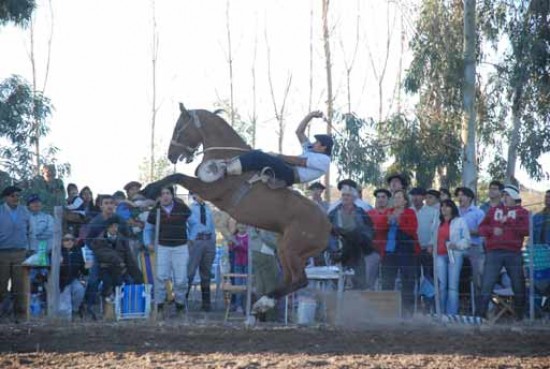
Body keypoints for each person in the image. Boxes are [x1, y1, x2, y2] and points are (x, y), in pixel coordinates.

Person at [223, 111, 333, 186]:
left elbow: (299, 161)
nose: (314, 143)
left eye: (317, 142)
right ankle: (233, 164)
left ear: (324, 147)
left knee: (258, 156)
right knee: (258, 154)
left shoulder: (325, 160)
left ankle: (226, 170)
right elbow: (299, 132)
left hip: (290, 174)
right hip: (287, 168)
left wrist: (277, 156)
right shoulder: (311, 150)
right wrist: (310, 115)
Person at [477, 185, 529, 319]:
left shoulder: (522, 212)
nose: (504, 197)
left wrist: (509, 223)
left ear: (514, 197)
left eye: (507, 195)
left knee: (518, 284)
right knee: (487, 284)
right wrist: (492, 230)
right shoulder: (493, 210)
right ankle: (480, 316)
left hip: (513, 252)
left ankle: (519, 316)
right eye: (504, 194)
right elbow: (481, 228)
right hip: (494, 252)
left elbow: (526, 230)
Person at [143, 186, 191, 314]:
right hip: (162, 247)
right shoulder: (155, 211)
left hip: (180, 247)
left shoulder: (182, 208)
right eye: (162, 193)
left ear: (172, 195)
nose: (165, 196)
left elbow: (193, 223)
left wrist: (192, 238)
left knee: (181, 280)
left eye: (168, 193)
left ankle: (180, 304)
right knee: (160, 277)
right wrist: (148, 243)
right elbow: (148, 229)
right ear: (159, 197)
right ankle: (159, 305)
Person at [328, 183, 374, 290]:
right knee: (338, 283)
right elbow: (327, 233)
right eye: (343, 195)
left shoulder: (361, 212)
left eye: (348, 195)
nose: (345, 197)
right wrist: (333, 248)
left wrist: (361, 239)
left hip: (357, 251)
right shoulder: (334, 213)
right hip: (339, 251)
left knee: (358, 282)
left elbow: (369, 231)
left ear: (354, 197)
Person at [381, 189, 419, 317]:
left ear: (405, 201)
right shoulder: (388, 212)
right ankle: (387, 311)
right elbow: (380, 228)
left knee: (407, 282)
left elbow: (413, 229)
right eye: (394, 197)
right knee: (387, 281)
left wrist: (399, 221)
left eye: (399, 197)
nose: (396, 200)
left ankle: (407, 312)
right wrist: (386, 220)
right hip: (389, 251)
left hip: (405, 252)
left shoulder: (410, 212)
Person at [91, 218, 143, 303]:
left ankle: (127, 304)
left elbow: (129, 257)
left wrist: (137, 274)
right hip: (105, 269)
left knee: (132, 280)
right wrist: (119, 261)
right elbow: (103, 254)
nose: (114, 229)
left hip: (121, 270)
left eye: (116, 226)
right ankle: (107, 302)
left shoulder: (123, 240)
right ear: (107, 228)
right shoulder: (98, 240)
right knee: (108, 281)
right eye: (112, 227)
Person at [432, 199, 471, 315]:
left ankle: (452, 314)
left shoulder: (460, 221)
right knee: (442, 286)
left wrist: (457, 245)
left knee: (453, 286)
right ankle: (441, 312)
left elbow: (467, 240)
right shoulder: (437, 222)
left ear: (452, 208)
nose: (444, 208)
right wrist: (431, 245)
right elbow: (432, 237)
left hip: (454, 255)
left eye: (447, 206)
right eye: (442, 206)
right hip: (439, 255)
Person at [0, 186, 31, 318]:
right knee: (1, 285)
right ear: (6, 197)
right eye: (13, 196)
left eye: (18, 196)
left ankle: (20, 315)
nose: (16, 198)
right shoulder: (0, 211)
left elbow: (30, 230)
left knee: (20, 285)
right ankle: (2, 314)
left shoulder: (24, 211)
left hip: (20, 253)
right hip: (2, 253)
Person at [186, 193, 216, 312]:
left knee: (206, 272)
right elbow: (186, 224)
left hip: (209, 241)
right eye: (198, 193)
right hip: (196, 241)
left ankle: (206, 303)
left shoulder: (208, 208)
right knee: (190, 271)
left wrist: (213, 240)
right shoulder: (189, 209)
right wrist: (189, 239)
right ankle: (183, 301)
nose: (202, 196)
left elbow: (211, 225)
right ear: (193, 195)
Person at [455, 187, 486, 292]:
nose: (459, 197)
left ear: (469, 198)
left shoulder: (479, 212)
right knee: (455, 274)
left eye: (462, 195)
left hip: (474, 247)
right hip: (457, 248)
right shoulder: (454, 212)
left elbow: (482, 231)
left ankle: (479, 303)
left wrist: (465, 231)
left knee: (477, 275)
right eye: (458, 195)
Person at [411, 188, 439, 280]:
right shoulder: (408, 211)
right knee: (414, 276)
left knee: (429, 275)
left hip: (427, 249)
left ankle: (429, 294)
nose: (415, 198)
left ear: (423, 197)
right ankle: (415, 294)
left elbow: (436, 230)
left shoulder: (433, 212)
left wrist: (431, 244)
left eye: (418, 195)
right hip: (412, 250)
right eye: (413, 195)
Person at [366, 189, 392, 290]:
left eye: (383, 197)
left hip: (388, 250)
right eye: (378, 197)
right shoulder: (369, 213)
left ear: (388, 199)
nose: (380, 199)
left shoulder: (392, 213)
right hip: (372, 249)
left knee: (387, 279)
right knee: (370, 278)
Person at [58, 233, 87, 320]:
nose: (70, 241)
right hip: (60, 280)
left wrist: (87, 268)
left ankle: (75, 311)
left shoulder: (77, 252)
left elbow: (83, 270)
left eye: (72, 240)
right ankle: (66, 320)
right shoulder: (56, 251)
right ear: (62, 241)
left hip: (73, 279)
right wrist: (58, 263)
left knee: (80, 290)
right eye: (67, 239)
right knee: (65, 300)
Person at [228, 223, 249, 313]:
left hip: (247, 263)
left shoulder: (249, 237)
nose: (242, 227)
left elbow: (248, 248)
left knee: (246, 284)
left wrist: (239, 245)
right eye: (240, 225)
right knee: (237, 285)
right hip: (237, 263)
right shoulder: (234, 237)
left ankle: (246, 305)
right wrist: (233, 245)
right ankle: (238, 305)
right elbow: (231, 248)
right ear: (236, 226)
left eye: (243, 225)